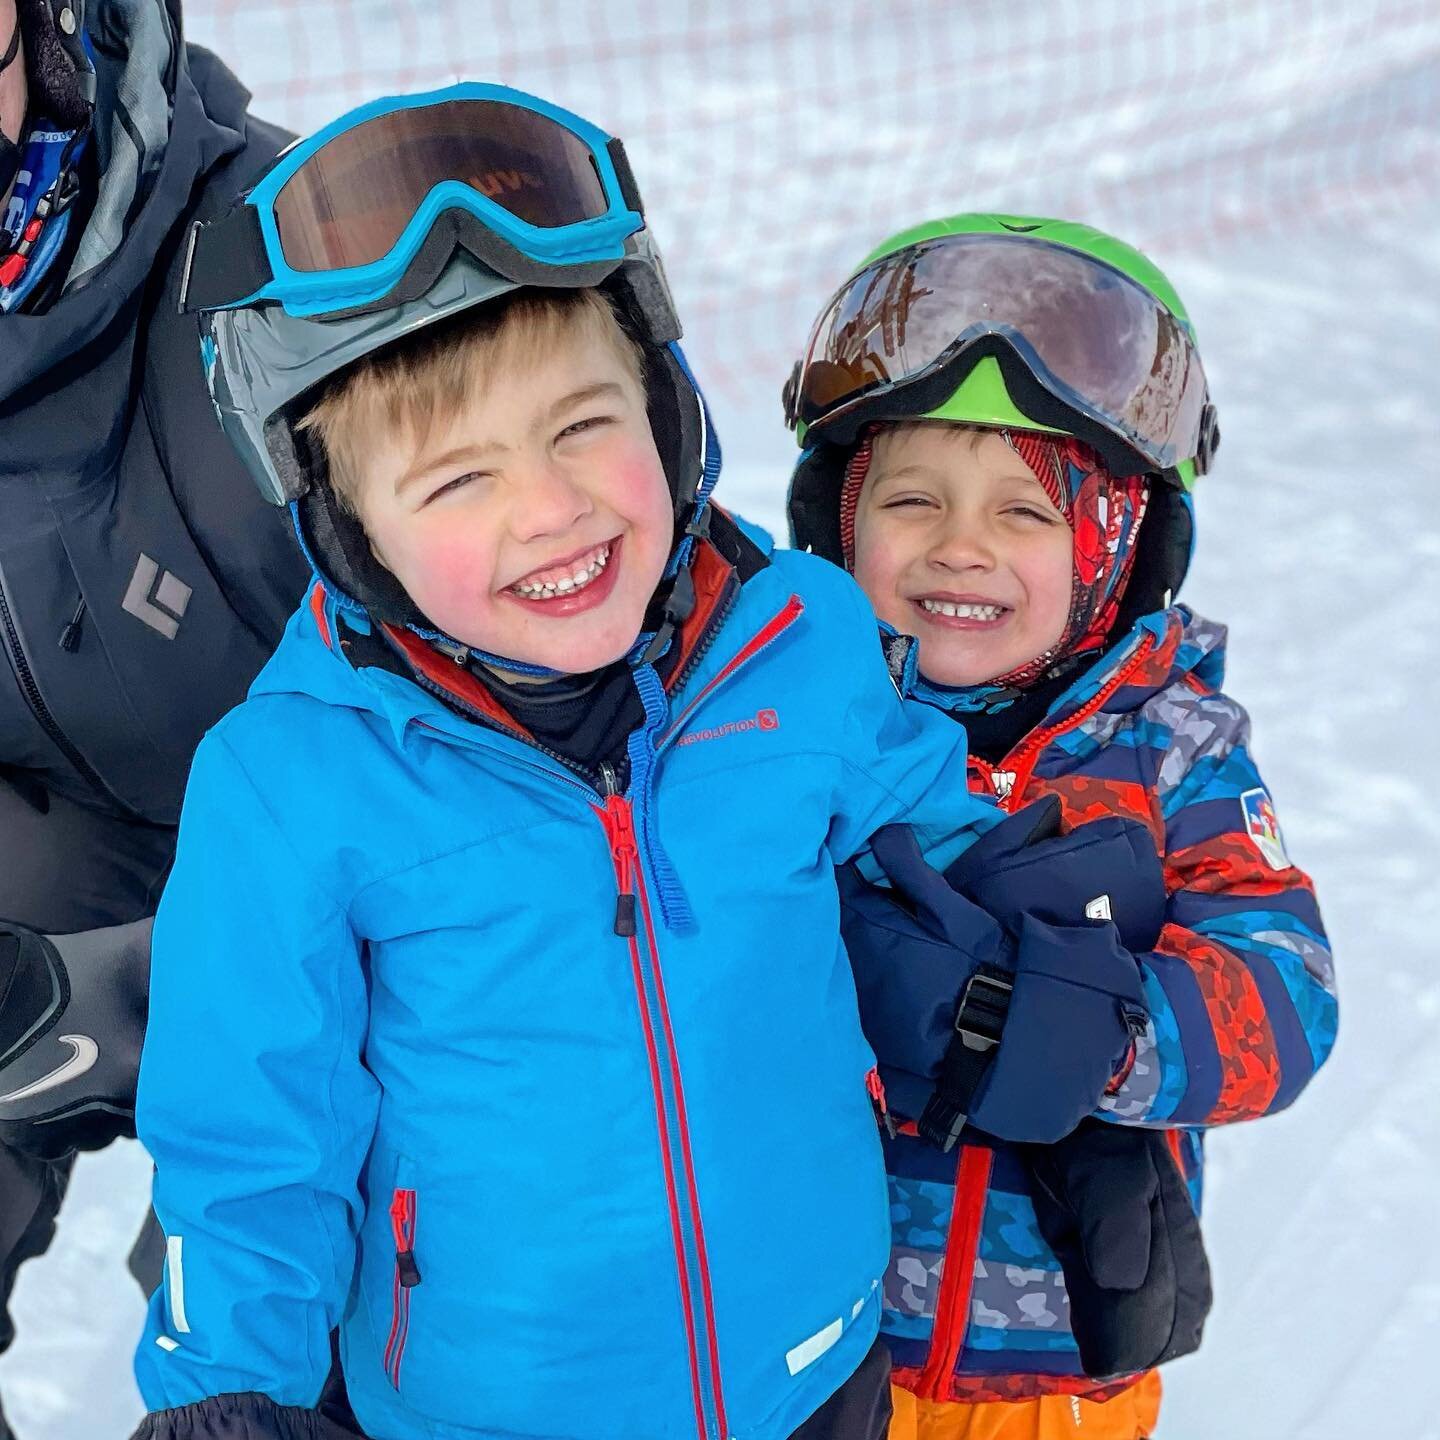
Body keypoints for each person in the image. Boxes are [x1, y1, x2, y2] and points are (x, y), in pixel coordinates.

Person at [127, 86, 1008, 1440]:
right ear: (352, 534)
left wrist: (1039, 960)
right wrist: (227, 1391)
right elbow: (251, 1146)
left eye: (582, 425)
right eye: (455, 481)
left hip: (820, 1367)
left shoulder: (805, 641)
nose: (551, 510)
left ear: (663, 403)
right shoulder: (291, 786)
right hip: (493, 1409)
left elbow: (936, 844)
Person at [783, 213, 1339, 1439]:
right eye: (912, 499)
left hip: (1047, 1386)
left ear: (1115, 545)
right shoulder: (792, 726)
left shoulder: (1169, 751)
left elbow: (1287, 997)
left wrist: (1088, 1032)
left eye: (1026, 514)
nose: (958, 546)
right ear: (840, 524)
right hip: (805, 1350)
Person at [0, 2, 306, 1434]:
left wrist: (180, 979)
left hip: (349, 895)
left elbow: (595, 665)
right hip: (51, 844)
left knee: (293, 1333)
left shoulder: (301, 274)